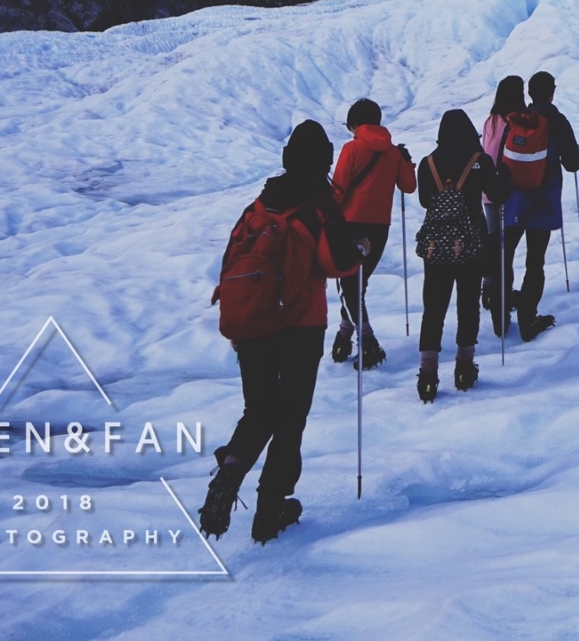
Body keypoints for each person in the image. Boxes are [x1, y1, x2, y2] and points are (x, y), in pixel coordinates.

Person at [202, 121, 365, 543]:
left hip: (254, 324)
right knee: (290, 418)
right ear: (325, 160)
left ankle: (228, 476)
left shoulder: (262, 203)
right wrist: (359, 250)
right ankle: (269, 511)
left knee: (259, 410)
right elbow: (336, 262)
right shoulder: (318, 204)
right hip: (298, 327)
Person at [414, 109, 505, 401]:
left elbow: (426, 200)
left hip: (436, 247)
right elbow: (497, 195)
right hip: (471, 242)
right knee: (468, 305)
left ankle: (427, 375)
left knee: (434, 308)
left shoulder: (427, 164)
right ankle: (464, 369)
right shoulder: (480, 161)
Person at [330, 99, 416, 370]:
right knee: (358, 284)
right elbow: (409, 186)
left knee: (349, 285)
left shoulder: (352, 148)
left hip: (350, 226)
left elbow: (340, 189)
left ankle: (368, 342)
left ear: (355, 124)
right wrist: (405, 161)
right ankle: (344, 336)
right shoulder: (393, 152)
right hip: (380, 228)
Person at [498, 70, 579, 340]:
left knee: (506, 257)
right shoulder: (557, 121)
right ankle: (527, 320)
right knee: (535, 261)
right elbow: (573, 164)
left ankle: (500, 318)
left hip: (514, 198)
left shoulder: (517, 120)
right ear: (552, 91)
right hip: (543, 200)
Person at [478, 76, 528, 335]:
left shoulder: (490, 120)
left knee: (492, 242)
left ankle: (489, 291)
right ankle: (501, 297)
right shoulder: (515, 120)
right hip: (507, 191)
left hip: (487, 190)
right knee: (504, 249)